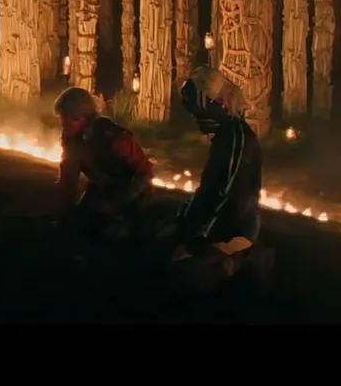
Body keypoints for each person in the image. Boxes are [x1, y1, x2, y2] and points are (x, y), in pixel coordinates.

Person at [165, 66, 270, 297]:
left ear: (219, 103)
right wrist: (183, 220)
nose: (197, 120)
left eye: (199, 112)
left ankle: (238, 262)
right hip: (217, 227)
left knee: (183, 278)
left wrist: (198, 243)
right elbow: (209, 191)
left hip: (234, 230)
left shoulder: (237, 139)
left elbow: (230, 198)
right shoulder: (226, 137)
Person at [54, 87, 156, 240]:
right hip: (101, 189)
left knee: (117, 234)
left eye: (71, 118)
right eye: (63, 117)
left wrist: (117, 202)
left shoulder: (114, 137)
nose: (64, 123)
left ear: (85, 117)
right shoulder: (72, 138)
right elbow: (69, 175)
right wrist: (67, 207)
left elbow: (145, 173)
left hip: (131, 192)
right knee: (76, 224)